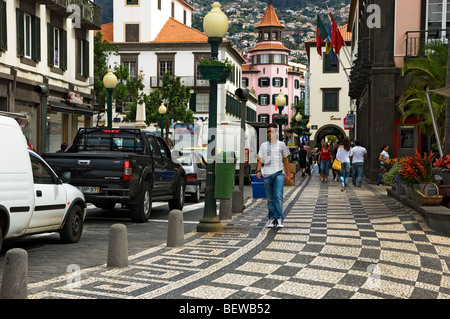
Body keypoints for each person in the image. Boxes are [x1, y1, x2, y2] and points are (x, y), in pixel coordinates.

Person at [256, 123, 292, 228]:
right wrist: (257, 171)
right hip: (267, 174)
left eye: (271, 131)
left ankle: (279, 218)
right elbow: (260, 159)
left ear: (276, 132)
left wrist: (288, 173)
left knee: (278, 196)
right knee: (270, 198)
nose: (269, 134)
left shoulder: (282, 145)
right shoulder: (263, 145)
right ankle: (272, 218)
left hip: (279, 174)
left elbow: (286, 160)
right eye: (268, 132)